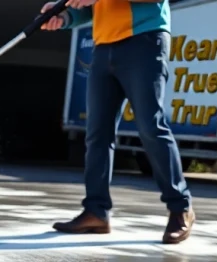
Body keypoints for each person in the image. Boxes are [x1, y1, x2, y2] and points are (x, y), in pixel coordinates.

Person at [41, 0, 195, 244]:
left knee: (150, 126)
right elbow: (94, 8)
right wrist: (66, 17)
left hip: (144, 39)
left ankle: (180, 208)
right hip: (104, 46)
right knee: (97, 133)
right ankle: (96, 211)